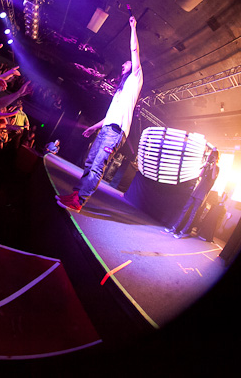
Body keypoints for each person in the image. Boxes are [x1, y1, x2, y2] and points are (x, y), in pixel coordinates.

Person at [56, 15, 143, 212]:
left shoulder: (135, 79)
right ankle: (76, 194)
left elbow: (134, 50)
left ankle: (79, 201)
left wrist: (133, 28)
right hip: (106, 129)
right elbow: (109, 116)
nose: (124, 64)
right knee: (89, 162)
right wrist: (93, 127)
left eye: (127, 63)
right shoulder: (120, 91)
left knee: (97, 166)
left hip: (116, 132)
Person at [164, 150, 221, 238]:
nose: (211, 157)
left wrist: (214, 164)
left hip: (201, 195)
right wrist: (205, 165)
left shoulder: (216, 168)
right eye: (211, 155)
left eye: (213, 156)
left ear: (216, 157)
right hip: (196, 191)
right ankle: (174, 228)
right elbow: (200, 175)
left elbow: (213, 177)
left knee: (192, 214)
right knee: (184, 209)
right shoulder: (208, 166)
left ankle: (182, 232)